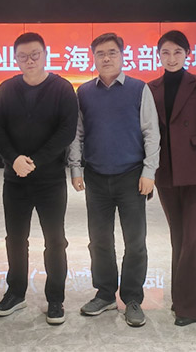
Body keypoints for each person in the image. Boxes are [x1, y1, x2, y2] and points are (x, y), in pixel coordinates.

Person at [68, 32, 160, 327]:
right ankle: (105, 293)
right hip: (96, 176)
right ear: (93, 58)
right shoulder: (84, 92)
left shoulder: (138, 89)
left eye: (112, 53)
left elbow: (151, 132)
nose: (106, 58)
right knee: (99, 240)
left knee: (135, 241)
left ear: (122, 56)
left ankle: (132, 298)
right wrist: (75, 168)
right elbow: (77, 133)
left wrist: (149, 172)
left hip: (131, 176)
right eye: (100, 54)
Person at [0, 32, 78, 325]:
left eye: (34, 54)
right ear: (15, 59)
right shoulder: (6, 89)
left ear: (45, 55)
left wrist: (35, 161)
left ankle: (55, 299)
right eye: (23, 56)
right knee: (16, 239)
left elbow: (66, 131)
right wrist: (13, 159)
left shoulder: (62, 88)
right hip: (14, 179)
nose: (29, 60)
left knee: (55, 240)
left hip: (50, 180)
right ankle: (16, 293)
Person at [147, 30, 196, 326]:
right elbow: (148, 133)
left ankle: (190, 309)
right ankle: (179, 299)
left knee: (193, 238)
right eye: (165, 52)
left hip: (195, 172)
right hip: (166, 172)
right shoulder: (151, 88)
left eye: (177, 52)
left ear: (187, 54)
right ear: (158, 56)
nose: (172, 58)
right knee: (178, 237)